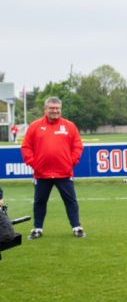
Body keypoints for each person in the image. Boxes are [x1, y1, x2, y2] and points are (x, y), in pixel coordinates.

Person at [21, 97, 85, 240]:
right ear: (46, 109)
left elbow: (77, 146)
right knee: (39, 202)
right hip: (42, 174)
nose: (55, 111)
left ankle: (77, 227)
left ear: (60, 109)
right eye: (52, 108)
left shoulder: (69, 126)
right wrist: (34, 163)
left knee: (71, 201)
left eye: (57, 108)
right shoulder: (35, 126)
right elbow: (26, 147)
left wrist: (71, 162)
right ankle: (37, 229)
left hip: (64, 173)